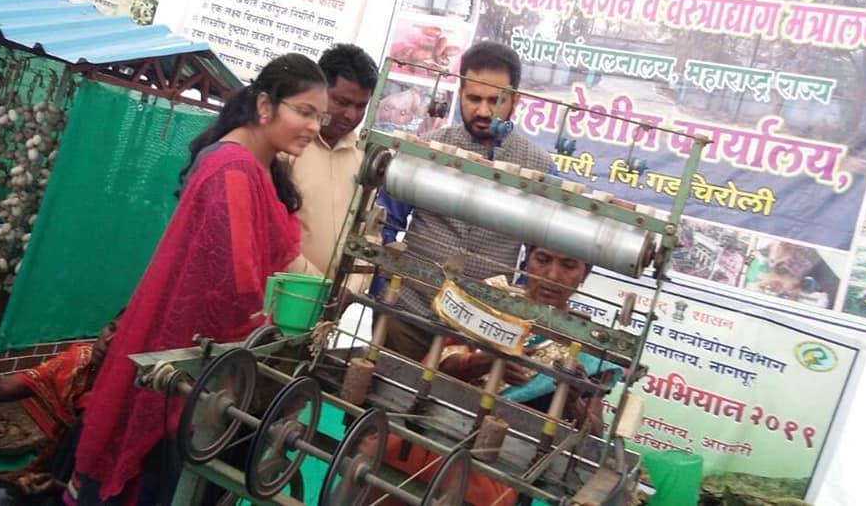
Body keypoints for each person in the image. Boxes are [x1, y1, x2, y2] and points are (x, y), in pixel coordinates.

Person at [70, 54, 328, 505]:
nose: (313, 126)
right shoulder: (231, 168)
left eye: (318, 117)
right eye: (304, 111)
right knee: (159, 477)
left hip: (215, 351)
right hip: (198, 349)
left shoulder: (260, 166)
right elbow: (232, 281)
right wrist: (266, 333)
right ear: (265, 106)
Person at [380, 245, 621, 506]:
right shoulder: (489, 301)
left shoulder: (587, 347)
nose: (552, 275)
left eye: (568, 265)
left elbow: (594, 432)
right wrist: (483, 363)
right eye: (542, 260)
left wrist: (572, 400)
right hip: (433, 430)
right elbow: (435, 366)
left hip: (504, 464)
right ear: (526, 259)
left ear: (585, 274)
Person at [376, 41, 551, 359]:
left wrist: (517, 306)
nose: (483, 111)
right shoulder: (426, 150)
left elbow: (542, 251)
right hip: (406, 315)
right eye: (473, 98)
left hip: (480, 335)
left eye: (495, 100)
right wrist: (383, 286)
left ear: (515, 100)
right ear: (460, 93)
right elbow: (384, 221)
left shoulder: (538, 169)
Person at [0, 317, 119, 503]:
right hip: (49, 472)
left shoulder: (130, 405)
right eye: (111, 328)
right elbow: (2, 388)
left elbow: (118, 492)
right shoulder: (77, 363)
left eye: (123, 337)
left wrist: (61, 488)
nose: (109, 340)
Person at [287, 43, 378, 292]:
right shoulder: (289, 146)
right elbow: (274, 233)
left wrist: (351, 287)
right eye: (341, 102)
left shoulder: (363, 157)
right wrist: (319, 287)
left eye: (361, 106)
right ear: (319, 91)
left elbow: (369, 233)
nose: (351, 115)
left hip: (333, 304)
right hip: (282, 293)